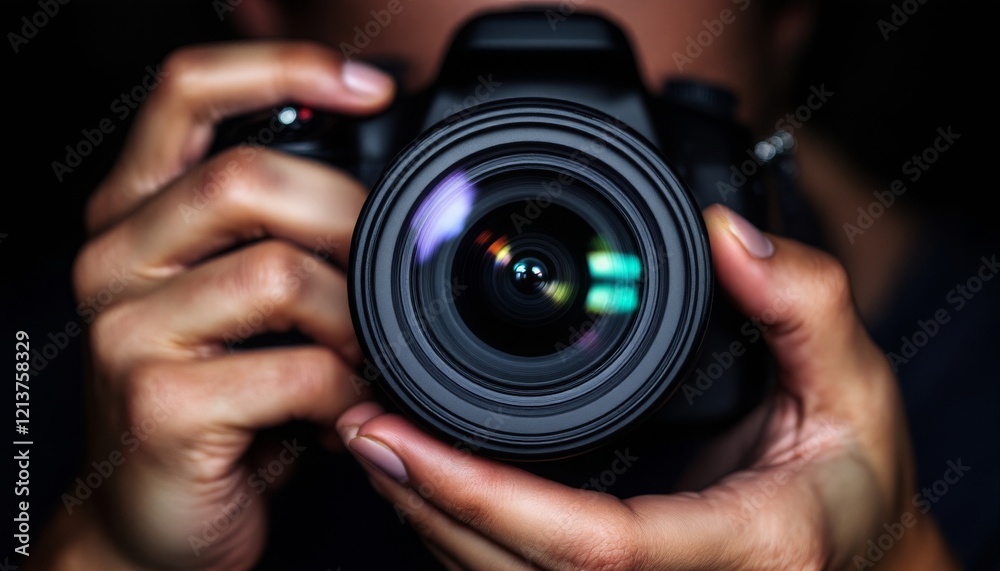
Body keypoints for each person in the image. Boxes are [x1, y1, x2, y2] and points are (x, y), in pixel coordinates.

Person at [26, 0, 990, 569]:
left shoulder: (982, 384)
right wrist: (107, 546)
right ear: (273, 22)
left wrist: (892, 553)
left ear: (789, 20)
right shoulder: (84, 364)